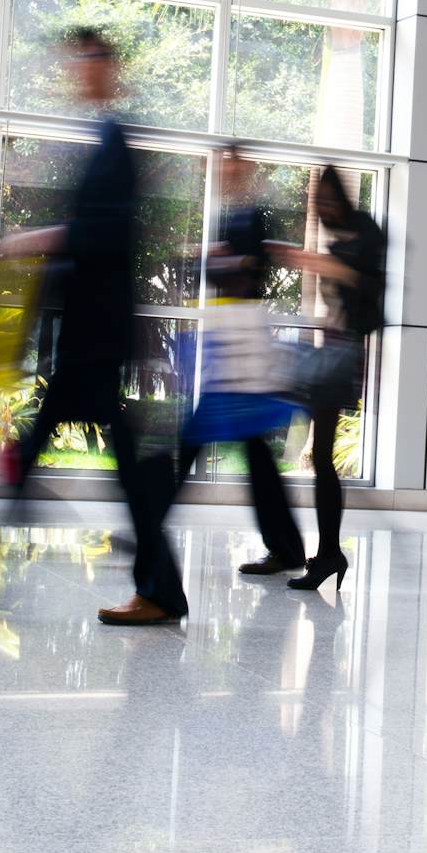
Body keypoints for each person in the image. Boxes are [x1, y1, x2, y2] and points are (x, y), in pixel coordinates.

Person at [0, 26, 185, 625]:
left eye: (88, 58)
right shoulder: (100, 138)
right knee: (80, 458)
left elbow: (108, 234)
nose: (78, 69)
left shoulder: (116, 140)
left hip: (99, 331)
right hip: (90, 329)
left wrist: (36, 239)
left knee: (116, 471)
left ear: (108, 66)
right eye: (74, 59)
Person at [168, 145, 306, 576]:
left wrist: (215, 258)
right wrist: (217, 258)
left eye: (232, 167)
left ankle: (149, 519)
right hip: (230, 336)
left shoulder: (252, 215)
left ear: (245, 170)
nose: (225, 174)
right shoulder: (233, 215)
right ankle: (286, 547)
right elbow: (237, 267)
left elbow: (250, 268)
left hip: (239, 342)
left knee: (205, 441)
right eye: (222, 168)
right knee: (244, 450)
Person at [271, 166, 385, 591]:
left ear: (342, 199)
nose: (324, 210)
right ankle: (329, 554)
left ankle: (329, 554)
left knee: (322, 457)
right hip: (332, 350)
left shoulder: (365, 233)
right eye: (319, 204)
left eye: (328, 200)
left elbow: (366, 285)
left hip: (345, 353)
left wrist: (321, 264)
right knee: (321, 457)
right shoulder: (340, 241)